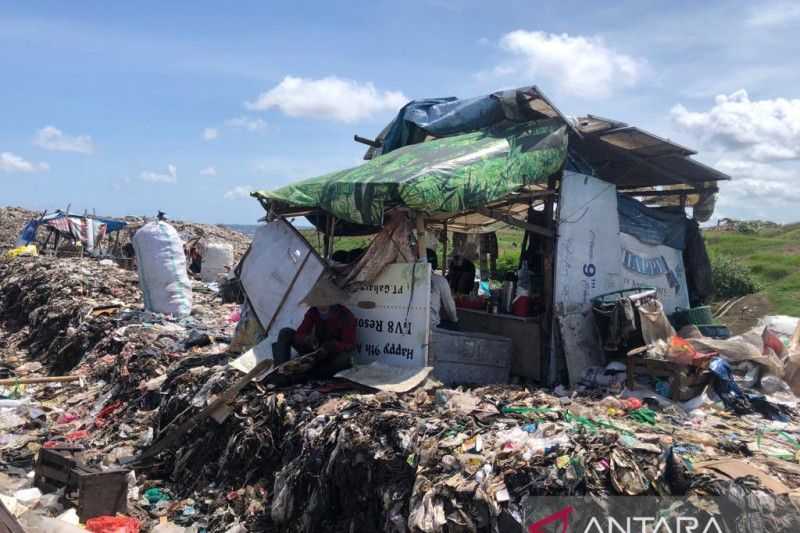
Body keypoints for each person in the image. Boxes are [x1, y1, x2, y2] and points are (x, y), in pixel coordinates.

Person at [272, 281, 356, 380]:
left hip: (332, 355)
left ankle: (308, 375)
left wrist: (333, 346)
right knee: (285, 332)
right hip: (314, 352)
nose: (321, 305)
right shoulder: (313, 312)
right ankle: (280, 372)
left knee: (344, 360)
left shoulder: (345, 315)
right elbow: (300, 333)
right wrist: (306, 339)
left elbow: (349, 345)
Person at [427, 249, 459, 331]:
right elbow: (450, 308)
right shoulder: (439, 280)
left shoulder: (409, 279)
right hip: (432, 326)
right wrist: (455, 321)